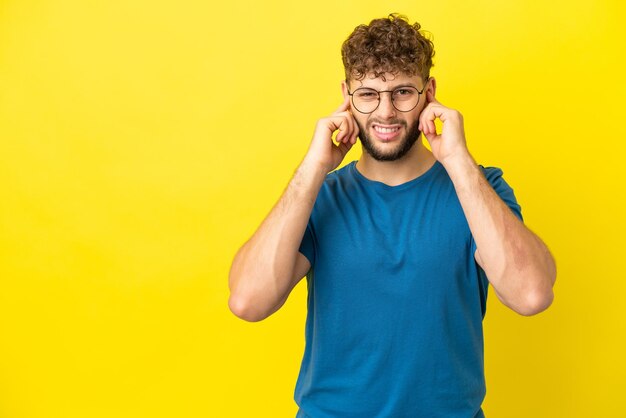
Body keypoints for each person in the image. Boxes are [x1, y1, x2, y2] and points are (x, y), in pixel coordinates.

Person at [228, 14, 556, 418]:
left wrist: (456, 159)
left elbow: (531, 294)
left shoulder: (479, 188)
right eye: (368, 94)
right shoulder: (319, 196)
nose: (385, 112)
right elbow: (248, 301)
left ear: (429, 92)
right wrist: (314, 167)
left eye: (402, 92)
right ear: (347, 96)